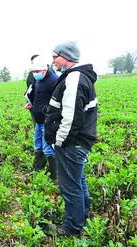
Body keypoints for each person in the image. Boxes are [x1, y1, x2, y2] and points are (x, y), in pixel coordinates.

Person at [45, 41, 98, 236]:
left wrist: (60, 141)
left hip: (71, 143)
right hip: (78, 142)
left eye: (54, 57)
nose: (53, 61)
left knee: (70, 186)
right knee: (78, 180)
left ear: (65, 57)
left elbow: (72, 117)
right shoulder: (78, 76)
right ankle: (82, 217)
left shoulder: (75, 78)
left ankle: (72, 228)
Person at [24, 59, 58, 181]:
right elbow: (39, 97)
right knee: (37, 145)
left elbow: (57, 101)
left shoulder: (53, 81)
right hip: (38, 119)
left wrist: (48, 112)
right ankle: (38, 169)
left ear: (44, 70)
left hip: (47, 121)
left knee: (48, 147)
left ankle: (54, 176)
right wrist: (32, 104)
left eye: (37, 71)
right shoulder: (39, 80)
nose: (35, 74)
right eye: (33, 71)